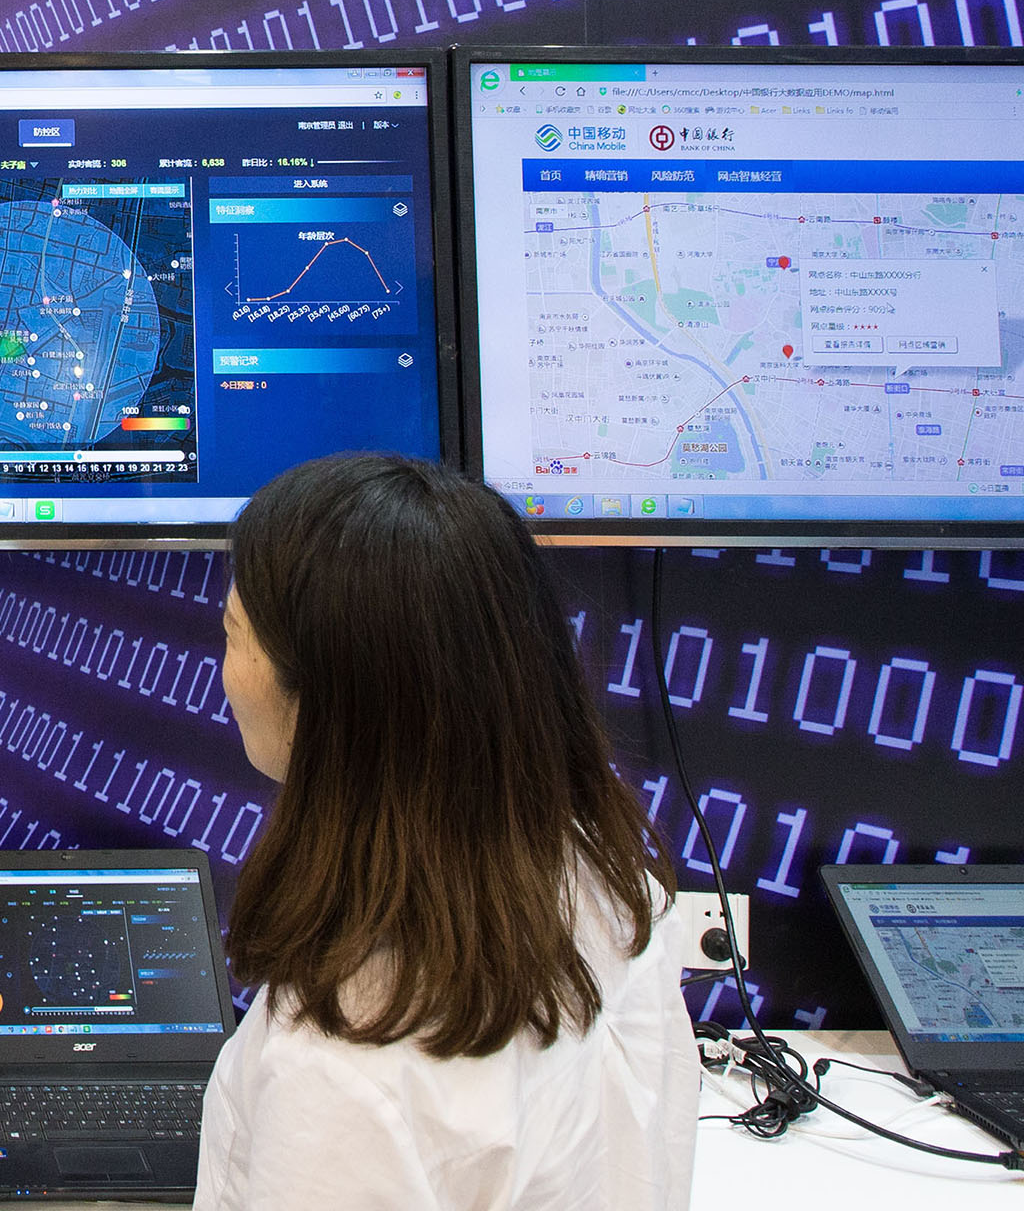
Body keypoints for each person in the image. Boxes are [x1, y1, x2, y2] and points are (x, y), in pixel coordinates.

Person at [196, 452, 697, 1210]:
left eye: (234, 633)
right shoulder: (609, 885)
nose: (225, 670)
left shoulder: (342, 1072)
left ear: (331, 697)